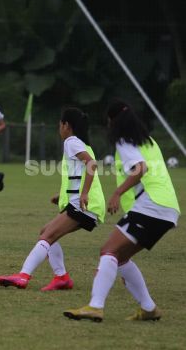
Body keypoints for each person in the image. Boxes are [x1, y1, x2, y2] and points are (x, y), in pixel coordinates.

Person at [64, 101, 180, 322]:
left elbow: (140, 169)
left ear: (113, 121)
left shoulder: (124, 140)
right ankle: (148, 308)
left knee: (108, 250)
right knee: (122, 257)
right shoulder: (149, 141)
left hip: (152, 206)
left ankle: (95, 306)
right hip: (167, 208)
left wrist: (117, 193)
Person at [0, 108, 105, 290]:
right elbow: (77, 174)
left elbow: (91, 165)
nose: (59, 128)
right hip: (83, 203)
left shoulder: (71, 142)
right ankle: (61, 277)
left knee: (47, 236)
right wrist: (62, 196)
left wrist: (84, 193)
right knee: (46, 231)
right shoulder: (81, 144)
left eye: (59, 124)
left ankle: (23, 275)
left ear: (66, 125)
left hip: (83, 204)